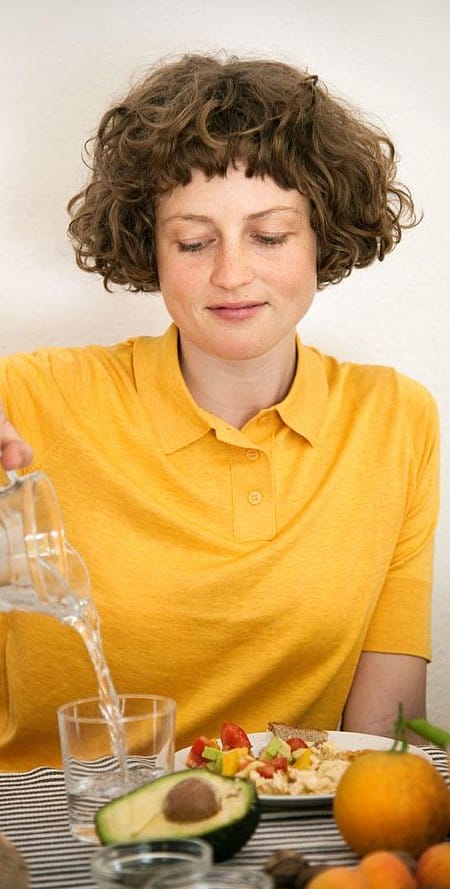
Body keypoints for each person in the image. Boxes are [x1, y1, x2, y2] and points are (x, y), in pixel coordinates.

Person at [0, 53, 439, 770]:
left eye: (268, 236)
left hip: (281, 826)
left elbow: (382, 744)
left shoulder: (397, 420)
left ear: (323, 235)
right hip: (44, 825)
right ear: (151, 249)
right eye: (195, 241)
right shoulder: (28, 398)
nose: (232, 274)